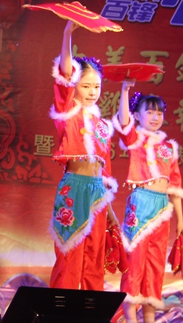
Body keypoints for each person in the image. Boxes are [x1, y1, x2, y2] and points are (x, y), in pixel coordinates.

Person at [48, 21, 118, 290]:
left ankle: (91, 309)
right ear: (75, 86)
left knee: (94, 260)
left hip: (97, 193)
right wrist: (67, 33)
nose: (92, 92)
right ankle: (61, 309)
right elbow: (65, 73)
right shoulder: (67, 112)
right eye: (86, 86)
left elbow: (105, 171)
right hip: (74, 189)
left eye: (96, 87)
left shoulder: (102, 126)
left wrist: (110, 210)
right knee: (70, 258)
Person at [114, 80, 183, 323]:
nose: (155, 117)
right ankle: (131, 319)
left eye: (159, 113)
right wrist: (125, 91)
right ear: (138, 115)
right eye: (150, 112)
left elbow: (175, 187)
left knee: (155, 267)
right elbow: (124, 122)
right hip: (140, 205)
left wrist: (180, 221)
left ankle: (150, 319)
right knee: (135, 264)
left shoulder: (169, 148)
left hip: (162, 209)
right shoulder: (135, 139)